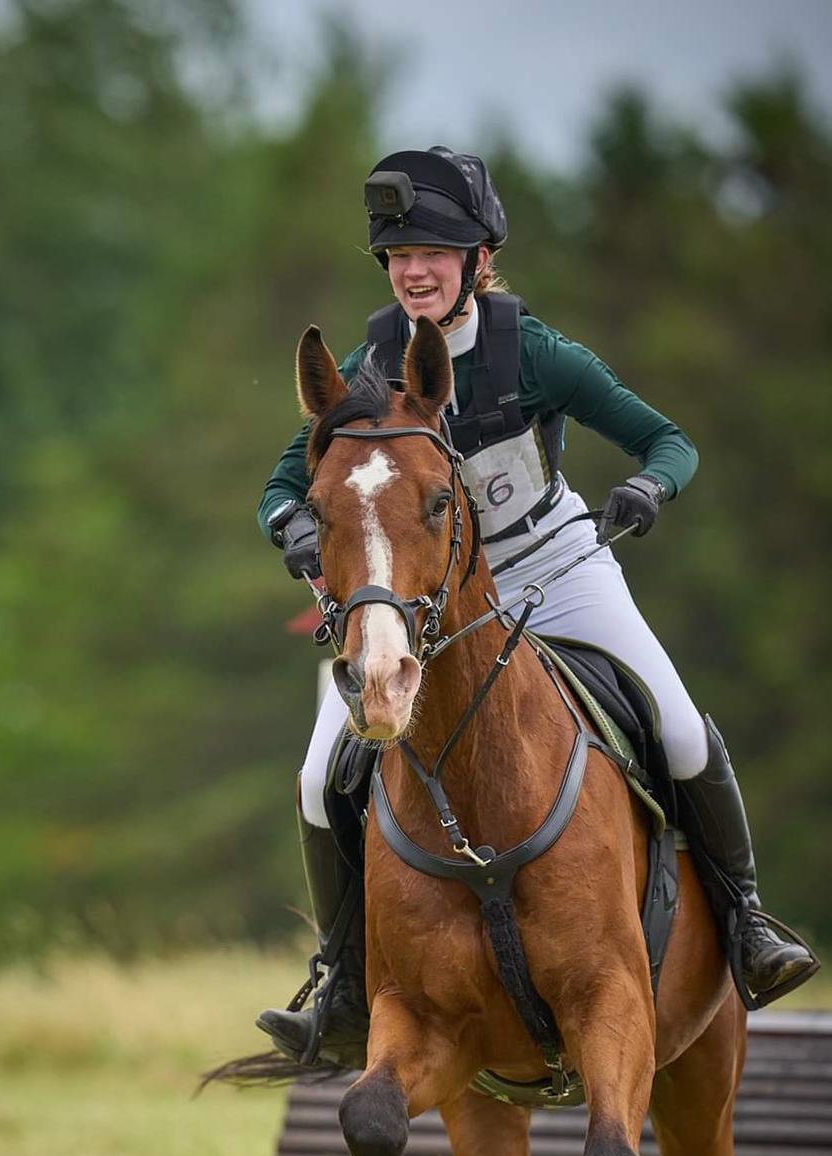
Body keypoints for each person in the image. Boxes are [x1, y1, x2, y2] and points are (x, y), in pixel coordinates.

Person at [255, 145, 818, 1067]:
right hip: (424, 598)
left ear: (480, 261)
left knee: (675, 729)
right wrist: (293, 528)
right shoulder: (368, 365)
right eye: (399, 258)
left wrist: (648, 489)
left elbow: (666, 441)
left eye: (434, 253)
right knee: (322, 779)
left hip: (556, 570)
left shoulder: (535, 353)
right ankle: (346, 985)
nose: (415, 272)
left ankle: (747, 926)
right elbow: (283, 482)